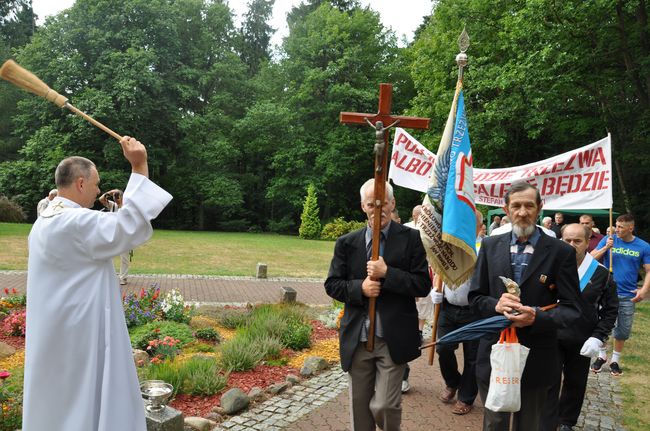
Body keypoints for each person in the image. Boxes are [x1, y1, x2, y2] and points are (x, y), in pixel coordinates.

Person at [22, 136, 173, 431]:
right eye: (95, 184)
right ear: (80, 183)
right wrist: (139, 165)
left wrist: (108, 210)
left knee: (59, 401)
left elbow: (90, 239)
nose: (99, 189)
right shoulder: (74, 223)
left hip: (56, 332)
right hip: (81, 335)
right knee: (84, 400)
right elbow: (129, 228)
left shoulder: (45, 218)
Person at [468, 181, 583, 430]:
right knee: (494, 424)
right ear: (506, 209)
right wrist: (496, 305)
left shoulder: (560, 252)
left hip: (538, 357)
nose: (522, 212)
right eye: (516, 206)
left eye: (529, 205)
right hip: (495, 354)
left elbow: (573, 309)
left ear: (540, 207)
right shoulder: (489, 246)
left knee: (530, 425)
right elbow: (475, 299)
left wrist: (536, 318)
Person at [325, 179, 430, 431]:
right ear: (363, 206)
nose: (378, 209)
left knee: (384, 406)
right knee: (359, 410)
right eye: (372, 203)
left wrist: (388, 274)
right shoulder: (347, 243)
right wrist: (359, 288)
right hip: (357, 337)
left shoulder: (411, 239)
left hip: (392, 338)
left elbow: (422, 285)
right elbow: (332, 284)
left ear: (392, 204)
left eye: (383, 203)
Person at [542, 224, 618, 431]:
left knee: (575, 383)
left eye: (577, 241)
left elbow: (611, 310)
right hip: (551, 336)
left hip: (582, 339)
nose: (571, 245)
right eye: (567, 240)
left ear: (587, 243)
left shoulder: (602, 275)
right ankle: (547, 422)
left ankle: (567, 421)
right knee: (548, 380)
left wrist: (598, 336)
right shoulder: (548, 268)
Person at [432, 209, 483, 416]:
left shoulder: (484, 249)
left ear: (480, 228)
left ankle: (466, 397)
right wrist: (435, 291)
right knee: (443, 348)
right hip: (448, 308)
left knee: (472, 357)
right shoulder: (449, 245)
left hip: (474, 311)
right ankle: (453, 382)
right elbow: (438, 270)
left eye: (471, 224)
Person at [590, 213, 650, 376]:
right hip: (604, 291)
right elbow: (590, 258)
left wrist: (643, 290)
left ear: (631, 228)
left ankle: (615, 360)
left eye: (621, 227)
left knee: (622, 330)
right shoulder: (609, 240)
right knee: (601, 324)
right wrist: (605, 248)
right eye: (616, 225)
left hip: (627, 294)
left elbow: (649, 270)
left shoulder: (643, 246)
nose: (617, 229)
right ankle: (601, 356)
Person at [99, 189, 130, 285]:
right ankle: (108, 276)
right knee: (107, 256)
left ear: (122, 197)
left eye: (117, 197)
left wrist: (120, 202)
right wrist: (108, 193)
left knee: (124, 258)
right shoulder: (113, 205)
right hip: (112, 234)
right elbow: (101, 199)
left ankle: (123, 277)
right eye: (114, 197)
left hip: (124, 235)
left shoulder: (126, 207)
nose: (116, 199)